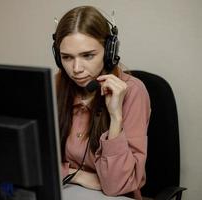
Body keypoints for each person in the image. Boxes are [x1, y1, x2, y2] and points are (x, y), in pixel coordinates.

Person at [52, 5, 151, 200]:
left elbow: (117, 186)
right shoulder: (56, 85)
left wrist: (115, 117)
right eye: (66, 57)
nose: (76, 68)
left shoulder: (133, 91)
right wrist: (78, 175)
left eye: (88, 55)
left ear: (109, 52)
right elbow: (36, 161)